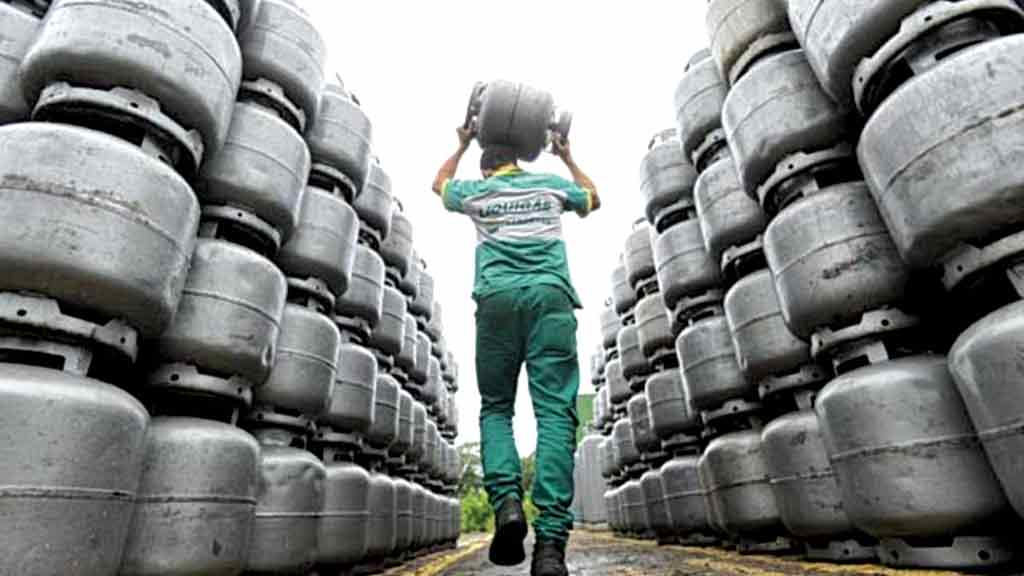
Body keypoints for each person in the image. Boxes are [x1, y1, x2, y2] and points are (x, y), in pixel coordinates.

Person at [432, 127, 600, 576]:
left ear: (488, 166)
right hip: (550, 301)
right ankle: (549, 546)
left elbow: (439, 184)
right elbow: (591, 197)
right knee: (554, 414)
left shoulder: (478, 191)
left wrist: (462, 143)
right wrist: (566, 156)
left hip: (497, 304)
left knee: (496, 408)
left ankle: (507, 503)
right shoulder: (550, 185)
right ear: (519, 162)